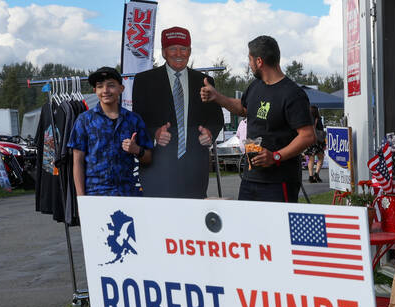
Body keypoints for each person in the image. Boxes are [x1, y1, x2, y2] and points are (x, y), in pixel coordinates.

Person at [200, 35, 314, 202]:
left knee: (276, 228)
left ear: (259, 61)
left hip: (279, 181)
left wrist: (276, 156)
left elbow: (308, 136)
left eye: (250, 59)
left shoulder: (293, 94)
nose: (249, 64)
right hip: (250, 178)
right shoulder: (256, 86)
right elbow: (244, 108)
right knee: (246, 227)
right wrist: (217, 97)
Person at [132, 27, 224, 198]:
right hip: (158, 168)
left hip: (195, 169)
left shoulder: (204, 81)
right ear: (164, 52)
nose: (179, 53)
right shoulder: (144, 81)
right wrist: (155, 134)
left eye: (184, 49)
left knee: (194, 220)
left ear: (190, 51)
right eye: (173, 48)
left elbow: (216, 119)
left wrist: (210, 133)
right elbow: (138, 121)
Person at [69, 66, 153, 197]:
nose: (105, 90)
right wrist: (81, 199)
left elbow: (148, 158)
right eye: (100, 86)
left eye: (111, 85)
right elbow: (77, 162)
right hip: (95, 194)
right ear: (95, 90)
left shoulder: (134, 120)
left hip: (128, 194)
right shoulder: (84, 120)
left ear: (121, 89)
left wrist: (137, 150)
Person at [307, 106, 326, 183]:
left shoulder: (307, 120)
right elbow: (321, 131)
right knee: (321, 158)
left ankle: (311, 176)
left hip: (309, 140)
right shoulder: (318, 120)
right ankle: (316, 174)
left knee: (311, 159)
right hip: (318, 142)